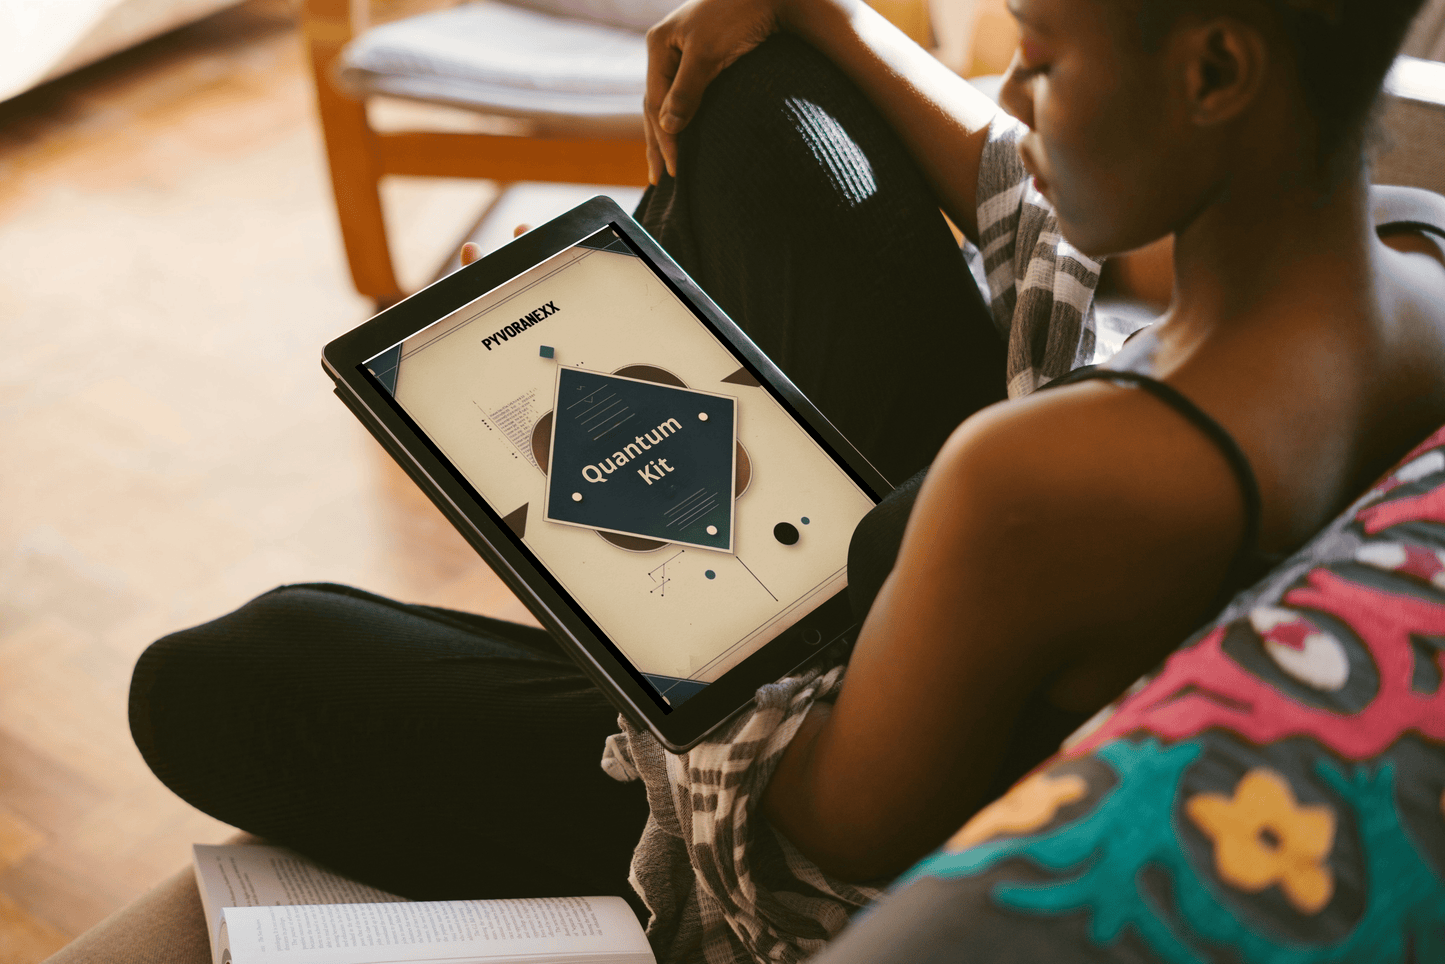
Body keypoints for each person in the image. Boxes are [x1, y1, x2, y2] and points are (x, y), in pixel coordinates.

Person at [128, 0, 1445, 961]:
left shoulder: (1051, 478)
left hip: (861, 736)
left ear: (1217, 68)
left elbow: (799, 864)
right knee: (763, 96)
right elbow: (1056, 227)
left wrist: (616, 495)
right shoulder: (1406, 254)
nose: (1019, 87)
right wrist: (822, 8)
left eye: (1038, 53)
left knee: (230, 670)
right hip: (978, 608)